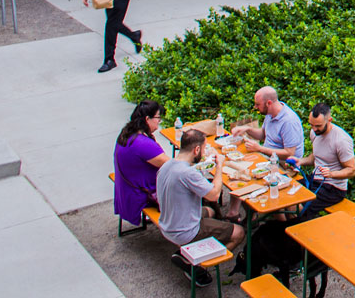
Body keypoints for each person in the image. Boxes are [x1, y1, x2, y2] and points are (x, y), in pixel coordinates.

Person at [157, 128, 245, 287]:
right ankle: (197, 264)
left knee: (211, 211)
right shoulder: (187, 173)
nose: (203, 153)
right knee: (239, 232)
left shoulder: (167, 165)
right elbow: (214, 194)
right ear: (196, 149)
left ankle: (198, 249)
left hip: (167, 223)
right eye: (203, 149)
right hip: (185, 231)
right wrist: (219, 167)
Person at [113, 100, 169, 229]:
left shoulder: (127, 133)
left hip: (126, 189)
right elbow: (171, 165)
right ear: (147, 119)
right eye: (157, 118)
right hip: (140, 196)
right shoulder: (142, 143)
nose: (159, 121)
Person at [302, 103, 355, 213]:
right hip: (315, 179)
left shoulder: (341, 140)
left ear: (330, 120)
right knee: (290, 192)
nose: (314, 129)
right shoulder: (314, 133)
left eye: (318, 126)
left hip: (333, 188)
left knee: (301, 205)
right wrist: (299, 161)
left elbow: (352, 170)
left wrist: (331, 174)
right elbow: (316, 156)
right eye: (311, 125)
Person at [230, 86, 306, 163]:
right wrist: (247, 129)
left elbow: (289, 153)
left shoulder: (289, 121)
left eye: (258, 104)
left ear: (268, 103)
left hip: (284, 165)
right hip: (267, 157)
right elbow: (263, 135)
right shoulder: (270, 113)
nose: (255, 107)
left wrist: (260, 148)